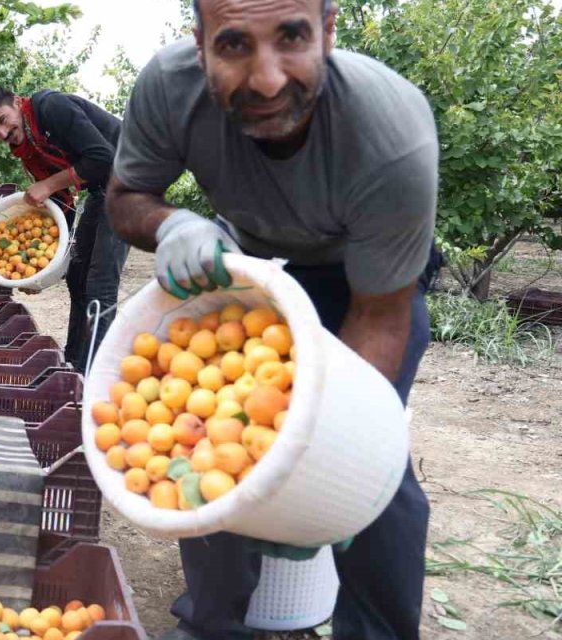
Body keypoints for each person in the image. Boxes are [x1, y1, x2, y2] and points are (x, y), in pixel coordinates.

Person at [106, 0, 442, 638]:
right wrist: (172, 222)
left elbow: (379, 314)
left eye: (292, 38)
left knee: (370, 463)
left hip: (364, 281)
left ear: (329, 32)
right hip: (253, 267)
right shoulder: (169, 87)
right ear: (198, 44)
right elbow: (127, 197)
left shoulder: (389, 135)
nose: (266, 78)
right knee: (205, 442)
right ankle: (212, 625)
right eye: (233, 45)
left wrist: (320, 461)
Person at [0, 86, 130, 372]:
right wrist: (43, 270)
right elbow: (61, 203)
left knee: (100, 283)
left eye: (2, 120)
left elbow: (101, 157)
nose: (3, 133)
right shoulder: (28, 147)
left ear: (17, 103)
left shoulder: (49, 107)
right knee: (77, 277)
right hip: (103, 187)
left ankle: (94, 374)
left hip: (131, 176)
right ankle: (74, 364)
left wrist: (47, 184)